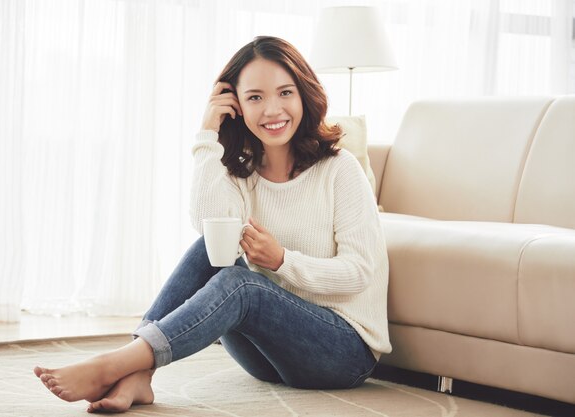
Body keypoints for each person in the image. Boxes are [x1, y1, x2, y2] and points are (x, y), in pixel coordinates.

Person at [33, 35, 391, 414]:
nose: (272, 109)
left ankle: (119, 362)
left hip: (342, 353)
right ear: (234, 105)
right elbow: (206, 226)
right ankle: (138, 374)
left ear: (304, 94)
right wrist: (207, 136)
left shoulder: (339, 170)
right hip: (268, 358)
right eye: (255, 97)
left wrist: (283, 260)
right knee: (212, 243)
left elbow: (360, 271)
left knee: (243, 285)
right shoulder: (242, 172)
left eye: (285, 92)